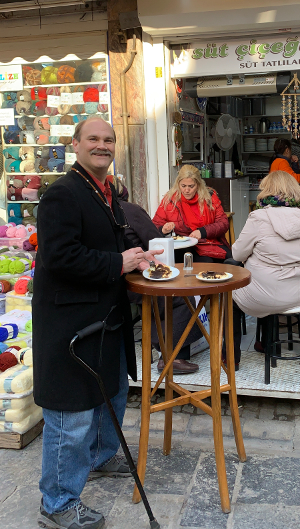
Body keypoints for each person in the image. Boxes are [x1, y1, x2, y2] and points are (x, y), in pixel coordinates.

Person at [33, 117, 161, 529]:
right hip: (70, 324)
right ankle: (57, 503)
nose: (102, 145)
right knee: (71, 416)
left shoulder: (106, 192)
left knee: (113, 394)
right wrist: (117, 263)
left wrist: (140, 255)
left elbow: (114, 240)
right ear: (75, 145)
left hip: (102, 319)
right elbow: (60, 256)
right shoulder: (62, 194)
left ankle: (100, 458)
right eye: (94, 139)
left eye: (108, 140)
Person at [229, 170, 300, 365]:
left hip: (266, 295)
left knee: (230, 296)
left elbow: (237, 254)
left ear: (267, 191)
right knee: (263, 282)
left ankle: (230, 357)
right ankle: (264, 342)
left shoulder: (258, 217)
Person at [111, 177, 201, 375]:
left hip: (113, 278)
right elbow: (155, 240)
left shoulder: (102, 212)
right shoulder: (130, 210)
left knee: (159, 298)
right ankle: (172, 356)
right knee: (180, 297)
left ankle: (162, 346)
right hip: (134, 276)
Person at [152, 164, 230, 262]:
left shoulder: (209, 197)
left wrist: (202, 232)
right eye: (183, 186)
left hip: (208, 243)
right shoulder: (170, 200)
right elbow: (154, 225)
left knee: (227, 261)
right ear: (178, 184)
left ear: (198, 185)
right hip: (182, 247)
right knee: (204, 262)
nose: (186, 190)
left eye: (191, 186)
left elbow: (223, 223)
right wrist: (163, 229)